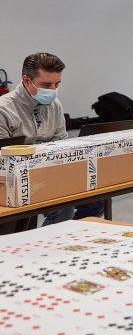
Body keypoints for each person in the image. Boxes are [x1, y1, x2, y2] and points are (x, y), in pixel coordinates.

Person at [0, 52, 104, 232]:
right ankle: (45, 243)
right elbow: (4, 159)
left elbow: (62, 142)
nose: (53, 90)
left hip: (50, 171)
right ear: (26, 80)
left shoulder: (55, 105)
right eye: (46, 85)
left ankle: (67, 235)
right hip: (15, 179)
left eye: (57, 84)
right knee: (63, 207)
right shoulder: (4, 109)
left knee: (97, 198)